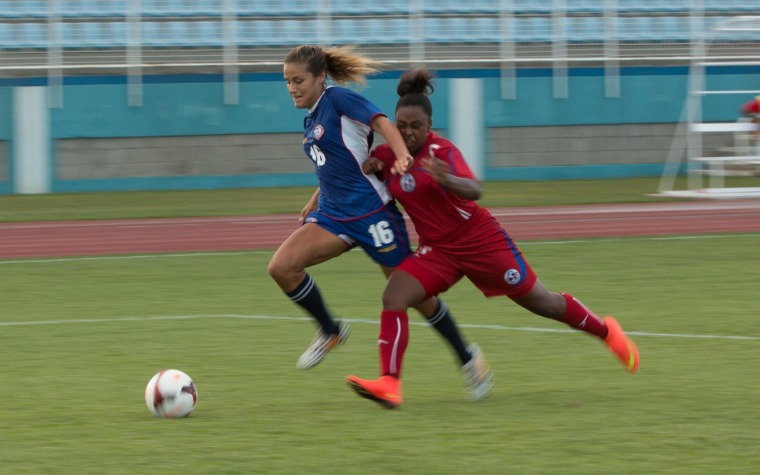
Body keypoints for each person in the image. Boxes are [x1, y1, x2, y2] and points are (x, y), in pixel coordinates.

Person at [346, 69, 640, 409]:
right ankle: (390, 383)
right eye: (402, 125)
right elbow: (374, 176)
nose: (408, 133)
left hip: (480, 242)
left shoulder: (442, 151)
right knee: (394, 295)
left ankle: (608, 333)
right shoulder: (387, 156)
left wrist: (448, 180)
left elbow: (476, 189)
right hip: (438, 251)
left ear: (430, 126)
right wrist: (369, 166)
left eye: (416, 126)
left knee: (545, 303)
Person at [268, 45, 493, 400]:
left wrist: (402, 154)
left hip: (375, 215)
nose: (292, 88)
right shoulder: (311, 117)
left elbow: (382, 122)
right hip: (334, 215)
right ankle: (330, 331)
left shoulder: (338, 98)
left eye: (298, 80)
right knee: (282, 267)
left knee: (414, 296)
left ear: (319, 77)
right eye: (287, 82)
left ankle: (469, 359)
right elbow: (339, 162)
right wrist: (315, 197)